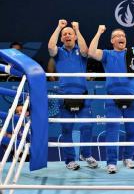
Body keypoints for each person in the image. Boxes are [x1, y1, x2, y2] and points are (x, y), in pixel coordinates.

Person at [88, 22, 134, 174]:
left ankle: (128, 158)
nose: (121, 37)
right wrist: (99, 32)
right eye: (117, 36)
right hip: (113, 99)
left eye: (123, 35)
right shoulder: (107, 54)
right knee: (112, 131)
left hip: (132, 99)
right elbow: (91, 52)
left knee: (132, 131)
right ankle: (111, 163)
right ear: (112, 41)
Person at [48, 19, 98, 171]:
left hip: (82, 96)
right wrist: (59, 27)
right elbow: (51, 47)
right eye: (65, 34)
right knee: (67, 130)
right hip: (65, 96)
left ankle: (86, 154)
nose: (67, 35)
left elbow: (86, 50)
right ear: (62, 38)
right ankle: (70, 160)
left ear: (75, 37)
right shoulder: (58, 53)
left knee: (87, 126)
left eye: (70, 34)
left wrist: (78, 30)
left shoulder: (80, 52)